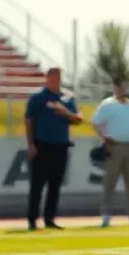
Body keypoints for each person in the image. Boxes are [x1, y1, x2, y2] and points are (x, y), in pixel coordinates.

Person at [24, 67, 82, 231]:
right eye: (53, 78)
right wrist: (30, 144)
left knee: (55, 184)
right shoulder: (37, 98)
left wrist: (65, 112)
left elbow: (78, 119)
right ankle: (32, 218)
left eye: (59, 78)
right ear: (47, 79)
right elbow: (29, 121)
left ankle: (50, 218)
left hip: (61, 145)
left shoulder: (67, 97)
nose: (57, 81)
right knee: (37, 184)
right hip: (41, 144)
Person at [92, 77, 129, 227]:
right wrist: (105, 138)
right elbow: (96, 122)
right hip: (114, 146)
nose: (123, 90)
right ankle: (106, 215)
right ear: (115, 88)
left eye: (125, 87)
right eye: (120, 87)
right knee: (110, 182)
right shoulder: (108, 104)